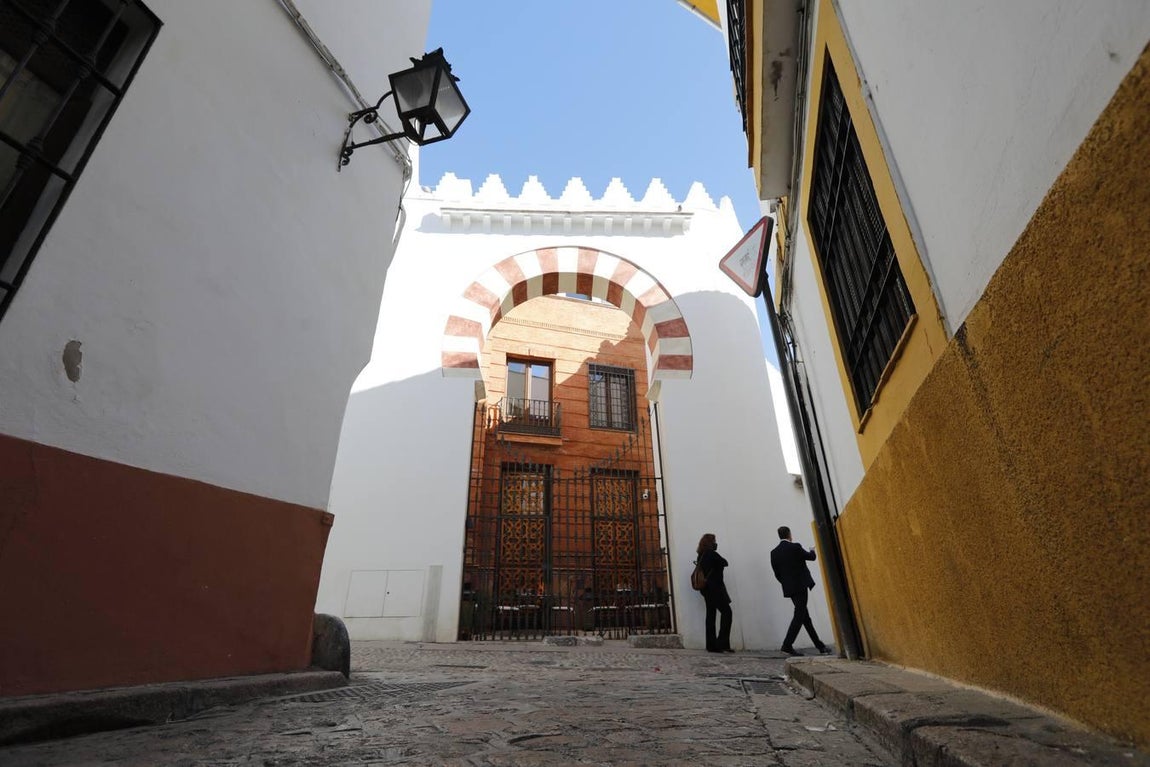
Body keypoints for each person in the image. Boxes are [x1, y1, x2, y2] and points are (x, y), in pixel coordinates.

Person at [770, 526, 832, 656]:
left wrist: (786, 583)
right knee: (799, 615)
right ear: (789, 534)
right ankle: (787, 645)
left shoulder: (774, 552)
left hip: (790, 588)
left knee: (805, 617)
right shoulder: (795, 547)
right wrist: (812, 550)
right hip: (801, 586)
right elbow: (811, 557)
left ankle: (820, 646)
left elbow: (777, 573)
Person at [696, 533, 733, 653]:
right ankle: (722, 642)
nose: (716, 543)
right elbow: (725, 562)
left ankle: (711, 645)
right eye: (714, 541)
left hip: (706, 589)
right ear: (710, 543)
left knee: (711, 615)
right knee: (727, 612)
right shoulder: (712, 554)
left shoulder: (701, 555)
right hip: (715, 589)